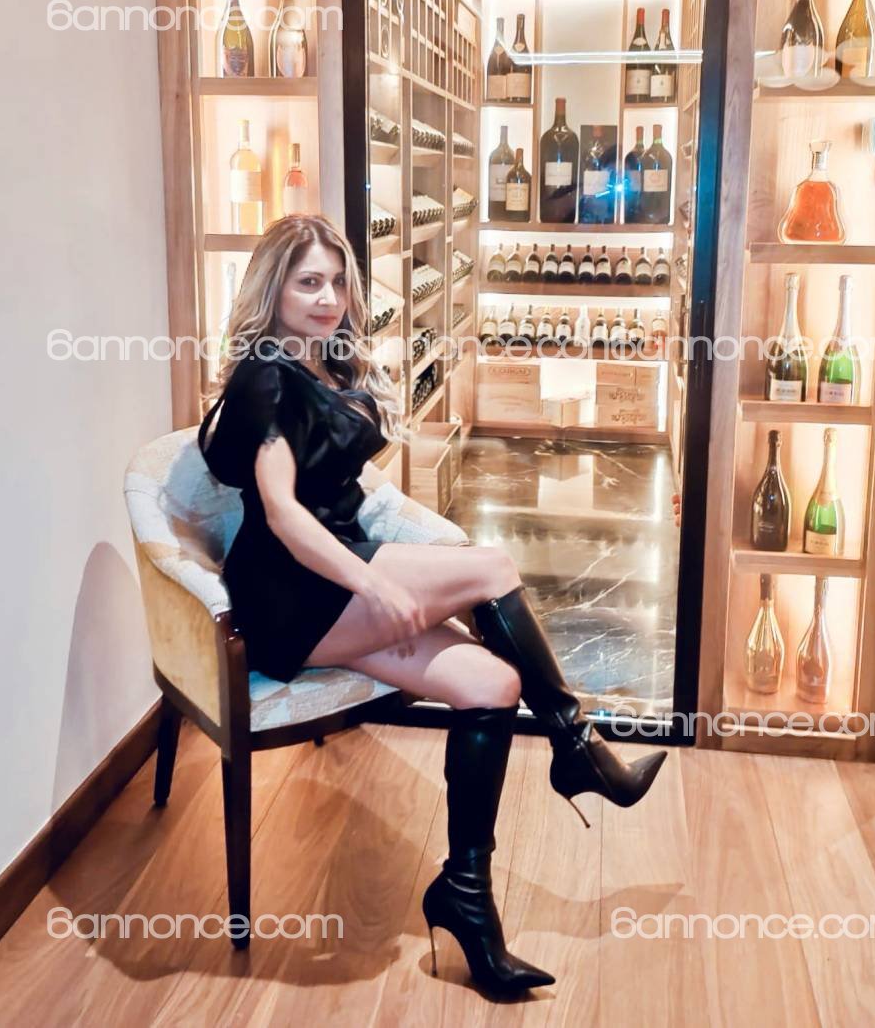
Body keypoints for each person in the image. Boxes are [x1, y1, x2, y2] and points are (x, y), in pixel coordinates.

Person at [198, 214, 666, 997]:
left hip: (334, 575)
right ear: (272, 288)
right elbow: (281, 513)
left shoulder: (319, 362)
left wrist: (372, 572)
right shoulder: (267, 375)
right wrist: (374, 583)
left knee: (494, 684)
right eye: (308, 282)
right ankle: (577, 747)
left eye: (336, 281)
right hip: (289, 592)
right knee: (492, 566)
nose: (328, 297)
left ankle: (465, 897)